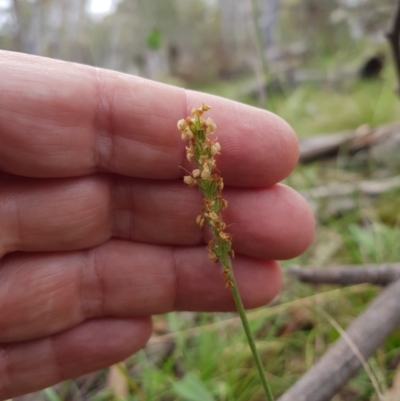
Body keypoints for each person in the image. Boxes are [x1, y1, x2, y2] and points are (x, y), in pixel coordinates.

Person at [0, 50, 315, 398]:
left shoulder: (206, 167)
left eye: (199, 128)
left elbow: (209, 188)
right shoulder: (198, 165)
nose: (197, 126)